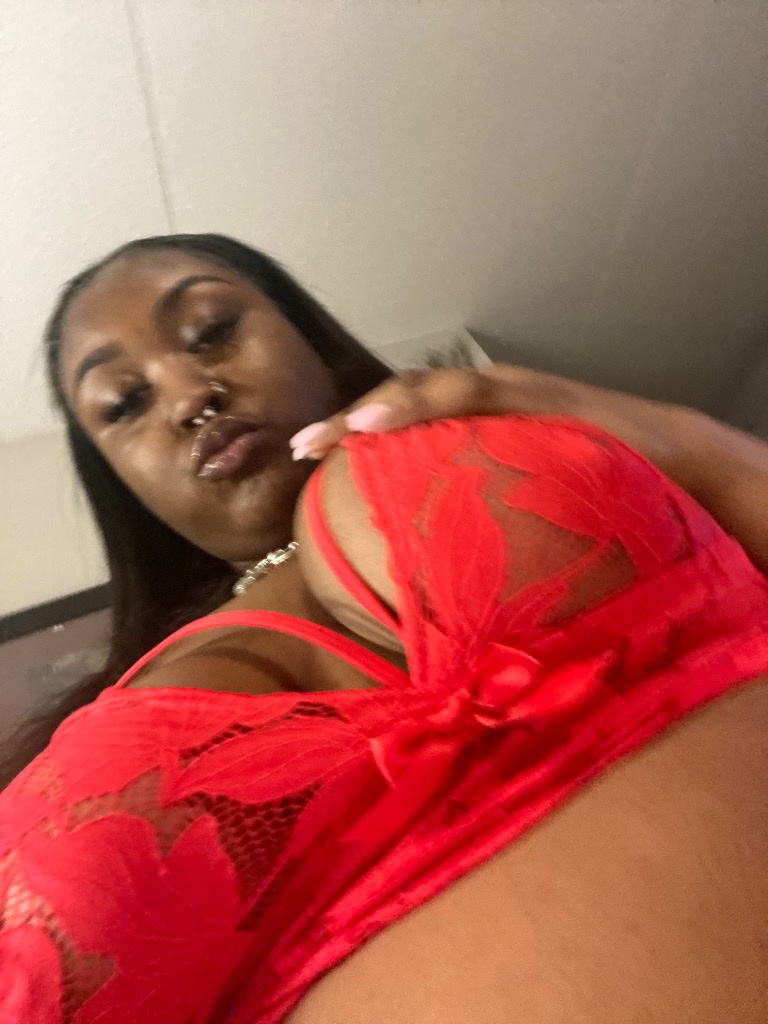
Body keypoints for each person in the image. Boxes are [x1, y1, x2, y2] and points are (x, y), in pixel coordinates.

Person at [0, 233, 766, 1023]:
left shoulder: (531, 427)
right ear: (120, 484)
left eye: (212, 331)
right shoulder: (97, 726)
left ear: (313, 341)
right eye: (124, 403)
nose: (191, 395)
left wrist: (674, 437)